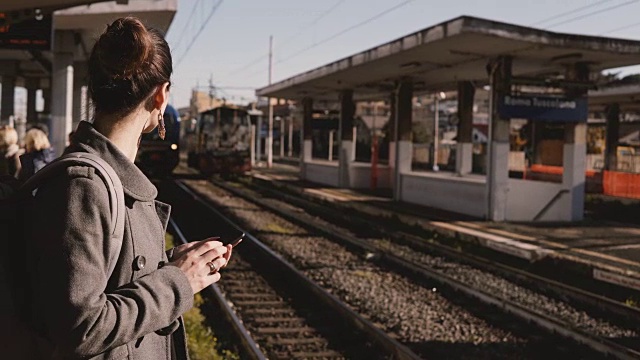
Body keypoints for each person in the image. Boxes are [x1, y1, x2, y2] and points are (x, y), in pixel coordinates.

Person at [26, 17, 233, 359]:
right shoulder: (84, 185)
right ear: (161, 95)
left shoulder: (106, 179)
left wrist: (171, 265)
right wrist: (177, 282)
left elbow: (107, 281)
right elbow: (80, 327)